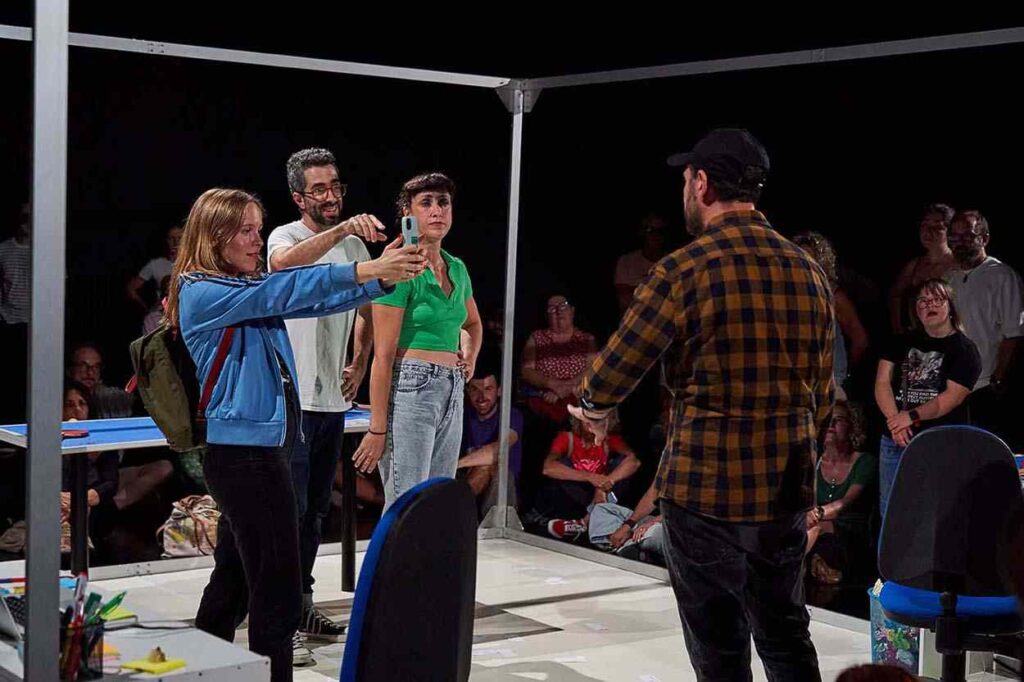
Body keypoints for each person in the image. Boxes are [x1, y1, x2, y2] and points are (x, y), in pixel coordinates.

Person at [571, 129, 832, 680]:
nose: (685, 191)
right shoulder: (808, 271)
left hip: (706, 484)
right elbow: (823, 393)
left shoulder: (683, 269)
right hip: (785, 485)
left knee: (720, 645)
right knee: (786, 632)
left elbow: (614, 371)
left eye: (687, 179)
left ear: (703, 184)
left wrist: (592, 406)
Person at [168, 187, 424, 681]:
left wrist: (378, 281)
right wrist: (365, 270)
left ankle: (201, 669)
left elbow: (308, 299)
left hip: (260, 452)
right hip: (246, 457)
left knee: (234, 580)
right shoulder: (202, 291)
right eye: (246, 230)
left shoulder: (239, 290)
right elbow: (287, 290)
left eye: (258, 229)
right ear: (214, 234)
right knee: (278, 591)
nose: (256, 240)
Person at [266, 147, 386, 652]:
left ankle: (303, 605)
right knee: (289, 513)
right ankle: (280, 620)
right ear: (299, 197)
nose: (331, 195)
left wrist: (359, 361)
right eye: (319, 188)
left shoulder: (355, 245)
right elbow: (282, 266)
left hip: (332, 401)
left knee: (316, 512)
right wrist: (343, 233)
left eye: (335, 185)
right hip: (292, 400)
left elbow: (367, 305)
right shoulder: (285, 236)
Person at [352, 173, 483, 511]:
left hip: (452, 388)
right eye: (426, 203)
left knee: (436, 502)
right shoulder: (399, 268)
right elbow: (383, 357)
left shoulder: (457, 267)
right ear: (408, 215)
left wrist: (469, 355)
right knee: (406, 504)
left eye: (443, 202)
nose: (437, 210)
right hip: (411, 386)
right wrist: (377, 429)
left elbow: (471, 323)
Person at [874, 278, 980, 519]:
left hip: (939, 440)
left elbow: (950, 399)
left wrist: (911, 416)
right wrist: (895, 422)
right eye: (922, 301)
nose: (929, 305)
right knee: (892, 513)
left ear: (950, 306)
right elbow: (882, 383)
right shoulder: (899, 341)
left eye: (937, 299)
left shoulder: (965, 350)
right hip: (896, 439)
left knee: (937, 512)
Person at [889, 204, 956, 333]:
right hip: (921, 336)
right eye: (925, 225)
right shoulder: (915, 265)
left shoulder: (958, 265)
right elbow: (895, 294)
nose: (928, 231)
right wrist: (898, 328)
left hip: (950, 335)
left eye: (937, 227)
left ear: (950, 231)